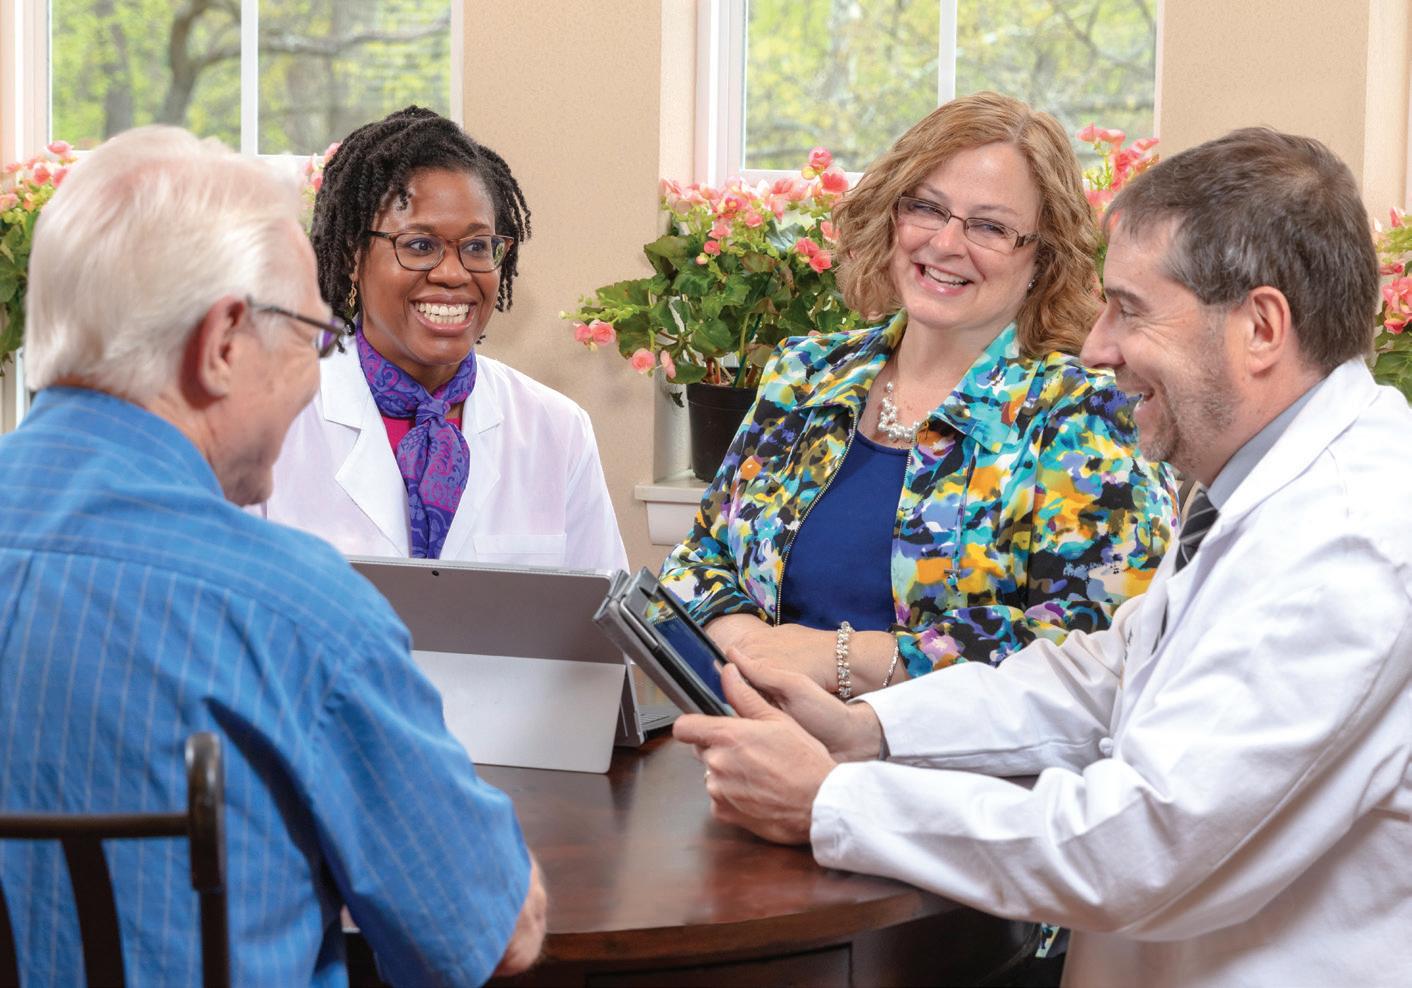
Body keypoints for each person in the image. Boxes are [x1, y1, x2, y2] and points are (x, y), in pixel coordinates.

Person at [676, 127, 1412, 987]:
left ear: (1260, 327)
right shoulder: (1261, 488)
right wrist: (873, 730)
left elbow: (1139, 849)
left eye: (1130, 309)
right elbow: (1104, 675)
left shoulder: (1346, 543)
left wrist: (833, 800)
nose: (1098, 346)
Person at [0, 126, 546, 984]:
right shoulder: (298, 613)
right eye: (308, 336)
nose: (315, 373)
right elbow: (488, 933)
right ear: (223, 343)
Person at [660, 92, 1175, 698]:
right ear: (891, 215)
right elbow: (696, 561)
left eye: (990, 226)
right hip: (748, 729)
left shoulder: (1090, 414)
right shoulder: (806, 374)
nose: (947, 243)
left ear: (1043, 255)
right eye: (927, 208)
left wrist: (840, 657)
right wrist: (748, 645)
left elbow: (1101, 647)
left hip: (950, 758)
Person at [262, 106, 627, 569]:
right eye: (419, 245)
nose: (453, 274)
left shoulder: (557, 430)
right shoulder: (271, 421)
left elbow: (599, 609)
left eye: (476, 247)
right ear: (354, 256)